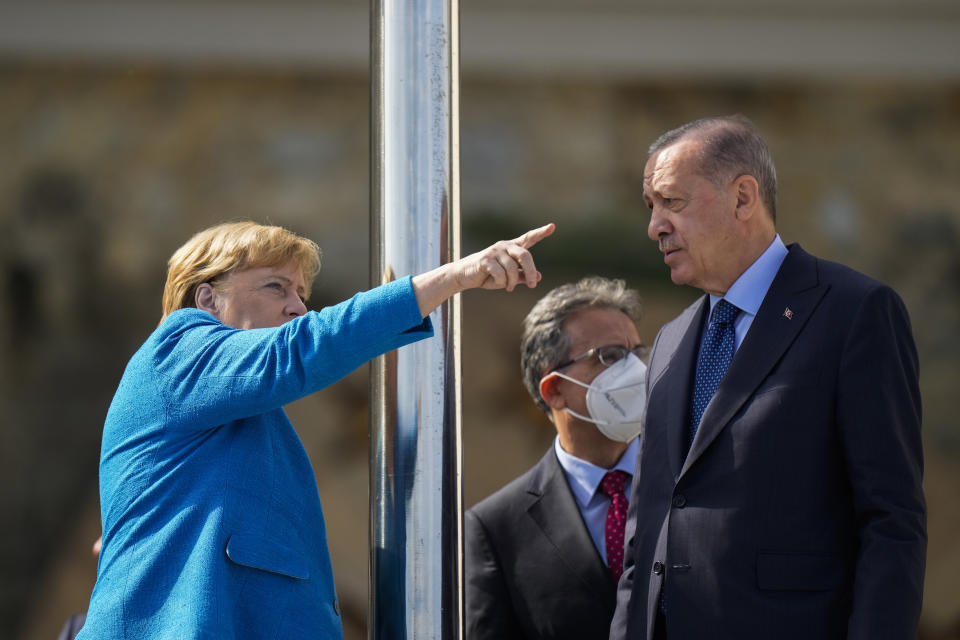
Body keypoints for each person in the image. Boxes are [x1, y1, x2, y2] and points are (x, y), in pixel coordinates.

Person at [76, 219, 554, 640]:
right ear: (207, 298)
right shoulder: (178, 348)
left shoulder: (243, 409)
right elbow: (303, 347)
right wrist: (454, 276)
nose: (297, 308)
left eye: (301, 294)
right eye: (276, 288)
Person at [609, 116, 925, 640]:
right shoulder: (668, 342)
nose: (655, 227)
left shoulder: (854, 313)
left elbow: (892, 525)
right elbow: (645, 542)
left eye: (673, 203)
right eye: (651, 207)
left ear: (743, 198)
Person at [466, 276, 647, 640]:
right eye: (610, 357)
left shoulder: (693, 482)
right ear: (555, 390)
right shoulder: (496, 528)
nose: (636, 372)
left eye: (638, 353)